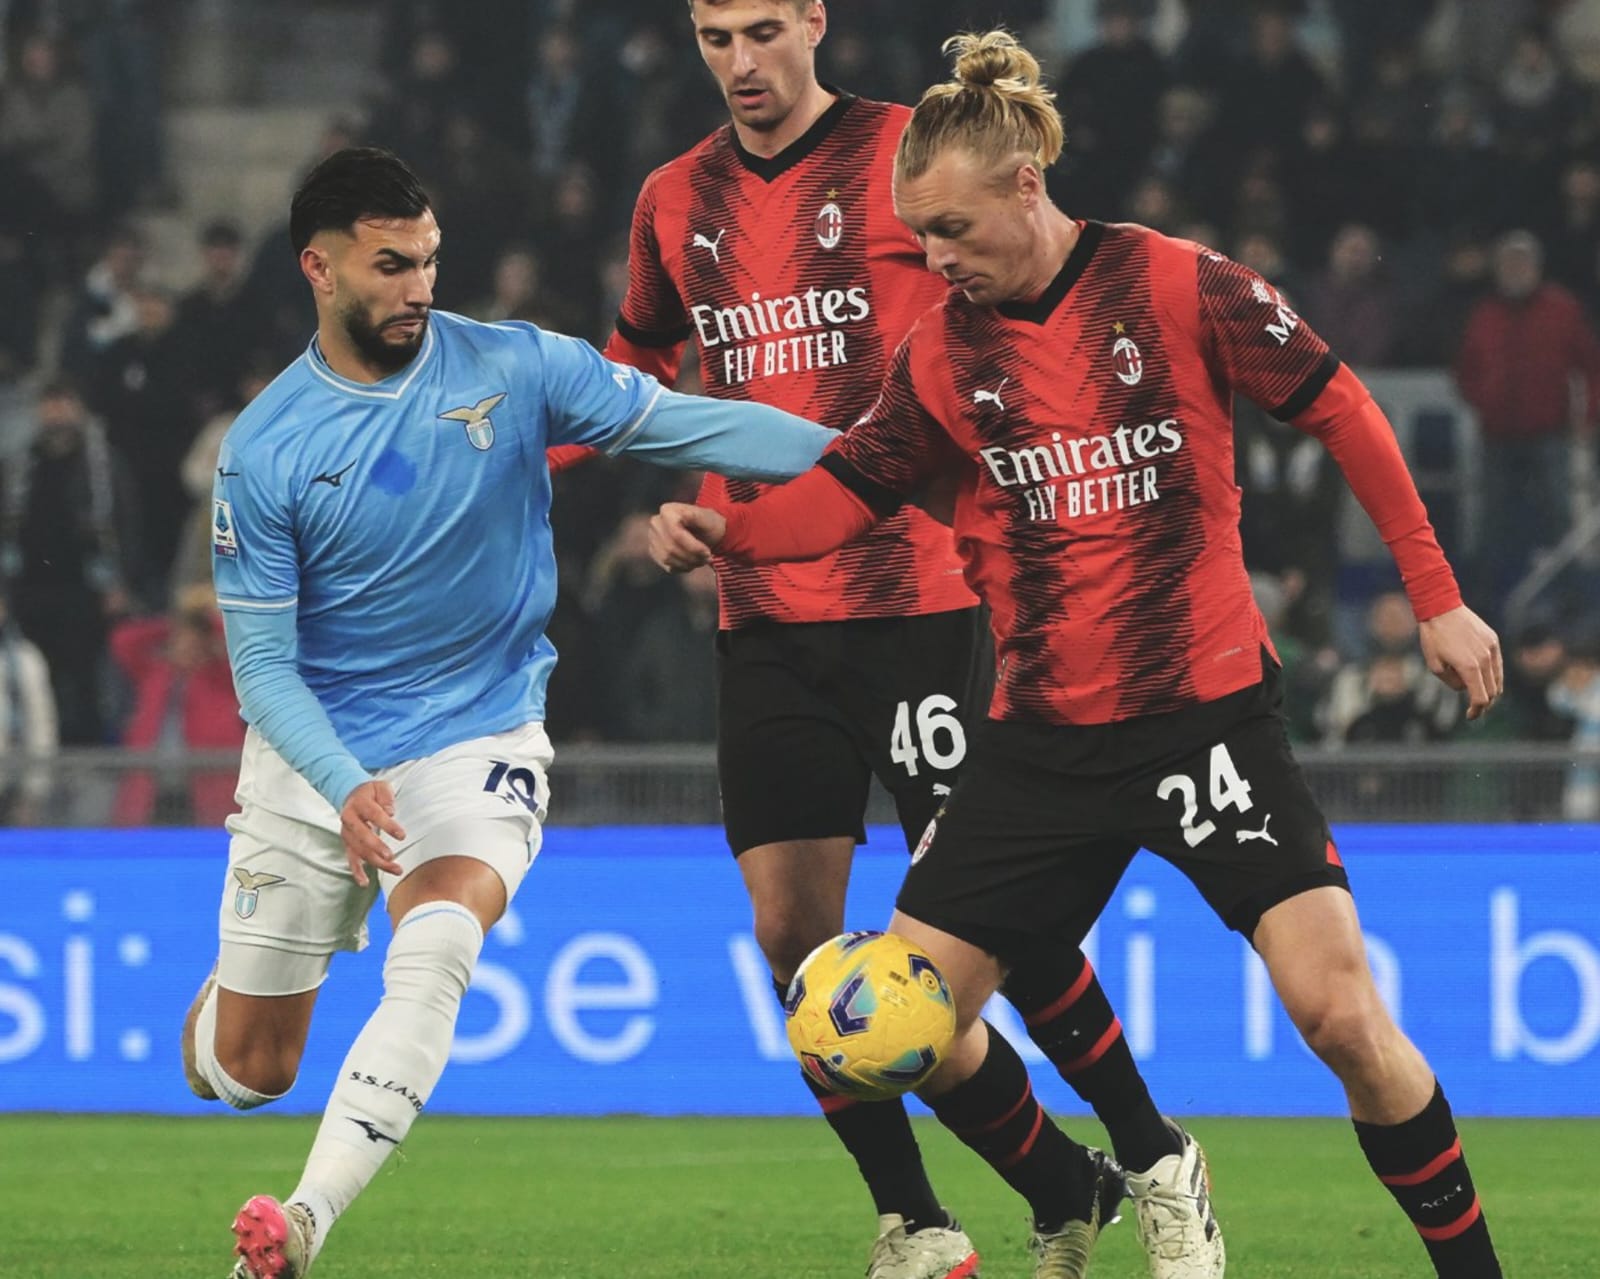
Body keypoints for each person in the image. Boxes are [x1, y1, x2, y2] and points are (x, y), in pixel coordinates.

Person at [651, 30, 1507, 1279]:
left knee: (1341, 1018)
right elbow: (852, 489)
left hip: (1205, 721)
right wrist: (732, 529)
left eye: (946, 230)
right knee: (897, 1031)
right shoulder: (943, 350)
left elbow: (1339, 403)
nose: (932, 260)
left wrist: (1437, 597)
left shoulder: (1178, 284)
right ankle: (1097, 1185)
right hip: (1041, 743)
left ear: (1022, 185)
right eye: (916, 239)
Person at [569, 5, 1221, 1278]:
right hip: (762, 613)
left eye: (763, 29)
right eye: (713, 37)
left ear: (815, 20)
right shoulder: (671, 199)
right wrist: (633, 458)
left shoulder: (906, 159)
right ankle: (938, 1213)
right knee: (792, 939)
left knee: (1001, 922)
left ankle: (1150, 1152)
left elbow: (1029, 295)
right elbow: (633, 364)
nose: (741, 62)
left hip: (922, 597)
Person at [177, 146, 840, 1279]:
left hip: (478, 731)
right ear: (319, 270)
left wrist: (878, 463)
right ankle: (238, 989)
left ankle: (298, 1225)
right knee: (245, 1072)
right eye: (390, 266)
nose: (419, 288)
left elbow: (696, 426)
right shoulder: (267, 450)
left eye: (429, 261)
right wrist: (343, 786)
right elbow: (265, 674)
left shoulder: (519, 368)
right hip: (317, 756)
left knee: (437, 943)